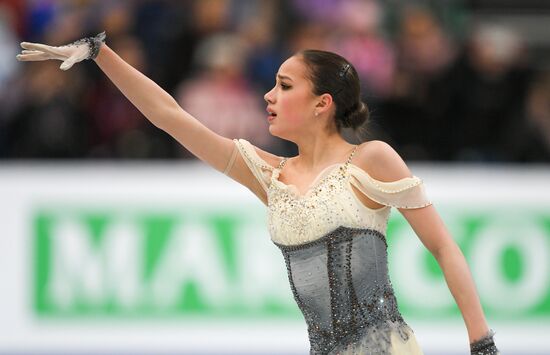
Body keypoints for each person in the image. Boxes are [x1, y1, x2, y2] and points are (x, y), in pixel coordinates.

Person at [16, 32, 499, 355]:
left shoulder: (370, 159)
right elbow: (170, 116)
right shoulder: (269, 175)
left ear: (321, 104)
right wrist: (101, 55)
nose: (268, 95)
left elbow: (442, 245)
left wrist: (481, 343)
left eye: (284, 86)